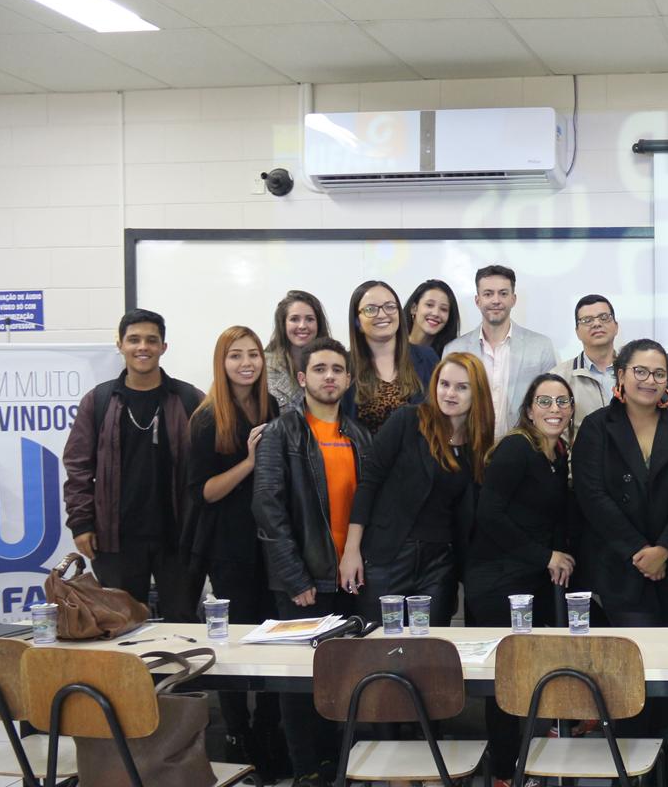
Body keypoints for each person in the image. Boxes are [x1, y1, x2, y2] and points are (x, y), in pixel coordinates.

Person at [252, 337, 372, 786]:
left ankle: (340, 766)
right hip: (302, 583)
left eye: (337, 370)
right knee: (301, 684)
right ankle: (307, 771)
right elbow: (268, 508)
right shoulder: (282, 433)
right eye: (320, 369)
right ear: (302, 379)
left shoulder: (358, 434)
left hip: (350, 581)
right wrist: (293, 576)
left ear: (347, 379)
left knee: (343, 680)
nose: (329, 377)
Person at [183, 325, 284, 781]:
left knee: (274, 637)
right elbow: (204, 492)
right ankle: (237, 732)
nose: (246, 363)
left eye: (253, 354)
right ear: (221, 363)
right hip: (228, 548)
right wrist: (247, 461)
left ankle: (267, 728)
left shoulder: (271, 407)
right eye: (236, 355)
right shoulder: (207, 418)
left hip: (269, 544)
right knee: (235, 643)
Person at [62, 309, 205, 622]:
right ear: (120, 345)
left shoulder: (189, 398)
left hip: (178, 537)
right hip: (116, 538)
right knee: (122, 625)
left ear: (163, 347)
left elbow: (209, 465)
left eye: (152, 340)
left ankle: (183, 675)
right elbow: (78, 468)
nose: (143, 347)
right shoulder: (98, 401)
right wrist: (81, 524)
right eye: (134, 340)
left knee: (183, 622)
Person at [468, 372, 577, 783]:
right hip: (495, 580)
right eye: (545, 402)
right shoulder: (516, 448)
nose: (555, 409)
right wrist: (545, 555)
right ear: (529, 409)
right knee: (507, 680)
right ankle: (503, 773)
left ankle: (537, 753)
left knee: (535, 670)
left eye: (562, 402)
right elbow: (489, 515)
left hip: (528, 579)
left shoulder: (558, 453)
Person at [340, 353, 494, 627]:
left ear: (477, 393)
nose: (450, 393)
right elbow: (369, 482)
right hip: (389, 555)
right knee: (377, 645)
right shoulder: (408, 420)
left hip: (439, 564)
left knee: (429, 648)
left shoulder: (477, 445)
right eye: (444, 384)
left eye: (462, 387)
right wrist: (351, 550)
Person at [574, 340, 668, 626]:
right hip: (619, 566)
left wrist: (663, 551)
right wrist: (639, 552)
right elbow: (592, 496)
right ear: (621, 375)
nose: (651, 380)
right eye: (641, 371)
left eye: (659, 374)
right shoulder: (596, 427)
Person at [446, 265, 559, 437]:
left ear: (513, 299)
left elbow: (549, 404)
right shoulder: (454, 350)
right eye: (488, 294)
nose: (496, 300)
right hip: (469, 452)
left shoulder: (541, 347)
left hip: (523, 451)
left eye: (503, 293)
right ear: (478, 300)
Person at [339, 280, 437, 434]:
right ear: (357, 321)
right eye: (371, 309)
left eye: (390, 307)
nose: (382, 314)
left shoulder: (427, 357)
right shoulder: (343, 365)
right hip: (365, 456)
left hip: (419, 456)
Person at [551, 294, 619, 427]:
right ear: (577, 332)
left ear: (616, 326)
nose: (597, 324)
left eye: (604, 317)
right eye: (587, 320)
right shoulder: (560, 377)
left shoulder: (633, 371)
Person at [265, 290, 330, 410]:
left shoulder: (335, 364)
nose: (302, 326)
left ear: (318, 324)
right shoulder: (264, 367)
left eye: (309, 319)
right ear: (283, 324)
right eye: (294, 319)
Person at [405, 278, 460, 356]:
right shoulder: (393, 347)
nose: (436, 313)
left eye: (443, 309)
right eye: (429, 305)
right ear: (414, 308)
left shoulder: (448, 356)